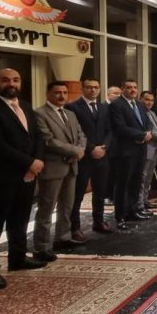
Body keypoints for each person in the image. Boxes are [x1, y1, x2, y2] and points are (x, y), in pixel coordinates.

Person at [0, 68, 47, 290]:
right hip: (1, 176)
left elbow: (37, 136)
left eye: (15, 79)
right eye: (5, 80)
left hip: (28, 174)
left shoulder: (25, 106)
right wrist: (28, 162)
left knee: (20, 219)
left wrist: (38, 160)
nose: (11, 84)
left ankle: (18, 258)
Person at [32, 82, 86, 262]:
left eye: (64, 92)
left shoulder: (70, 114)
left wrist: (80, 149)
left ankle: (63, 237)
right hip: (53, 167)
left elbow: (81, 135)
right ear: (48, 93)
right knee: (46, 209)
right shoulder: (40, 114)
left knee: (67, 206)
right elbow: (48, 140)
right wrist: (74, 151)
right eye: (57, 92)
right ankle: (41, 246)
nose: (62, 96)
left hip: (71, 166)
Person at [66, 78, 113, 235]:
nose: (93, 90)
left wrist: (104, 147)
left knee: (100, 192)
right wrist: (91, 148)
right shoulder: (72, 107)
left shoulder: (104, 108)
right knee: (78, 194)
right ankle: (75, 227)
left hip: (102, 156)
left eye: (96, 87)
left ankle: (98, 222)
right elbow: (75, 132)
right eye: (89, 87)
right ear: (82, 88)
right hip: (83, 157)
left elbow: (109, 130)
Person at [108, 80, 154, 231]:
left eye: (135, 87)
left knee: (136, 181)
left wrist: (148, 132)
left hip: (140, 149)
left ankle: (133, 211)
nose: (133, 90)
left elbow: (147, 122)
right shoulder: (116, 105)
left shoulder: (139, 104)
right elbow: (119, 127)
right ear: (123, 89)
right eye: (129, 88)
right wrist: (141, 135)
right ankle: (120, 216)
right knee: (123, 184)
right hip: (125, 151)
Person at [139, 91, 157, 212]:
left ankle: (145, 201)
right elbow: (148, 130)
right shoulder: (140, 112)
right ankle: (139, 204)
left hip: (155, 147)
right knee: (142, 176)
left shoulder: (152, 112)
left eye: (151, 100)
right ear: (140, 99)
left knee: (149, 177)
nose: (149, 102)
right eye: (147, 100)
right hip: (146, 148)